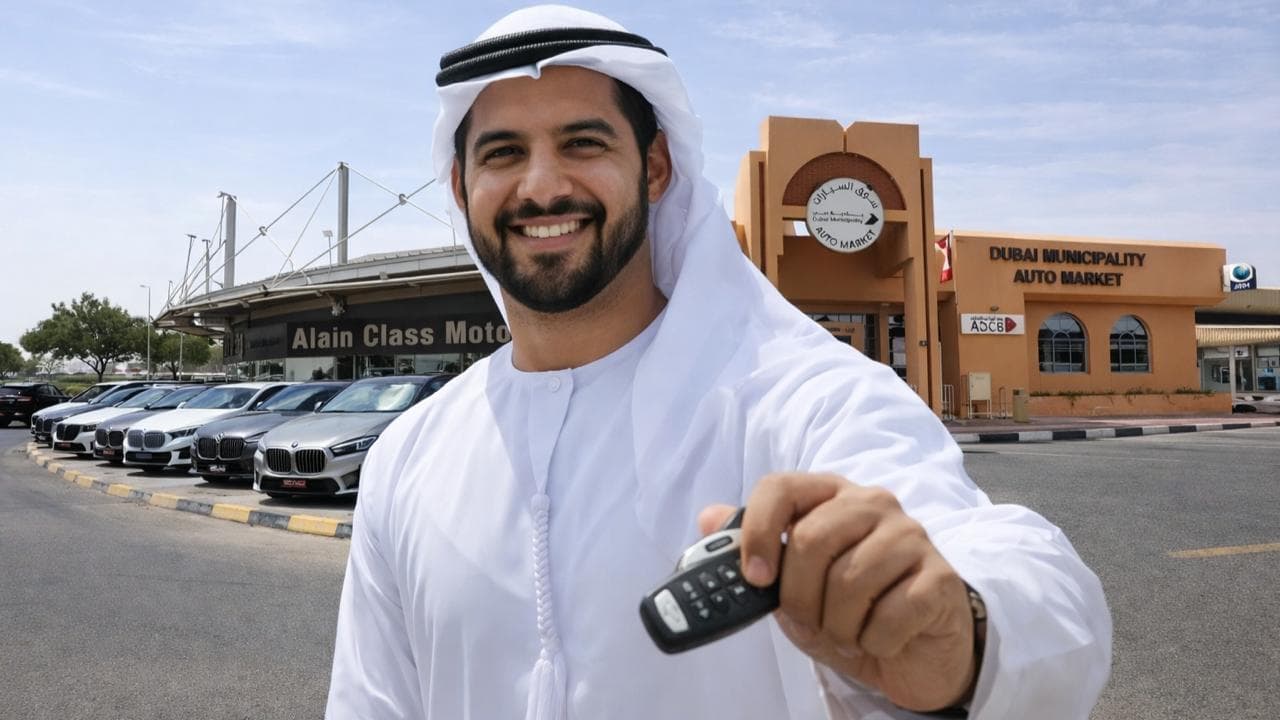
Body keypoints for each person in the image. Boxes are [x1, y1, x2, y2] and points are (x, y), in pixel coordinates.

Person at [326, 6, 1112, 719]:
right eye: (503, 154)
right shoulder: (410, 455)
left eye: (582, 143)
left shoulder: (804, 399)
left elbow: (1025, 582)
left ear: (657, 167)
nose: (542, 185)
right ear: (461, 188)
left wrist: (956, 628)